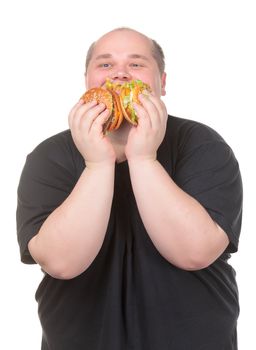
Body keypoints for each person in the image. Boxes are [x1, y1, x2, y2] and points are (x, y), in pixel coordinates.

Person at [16, 27, 243, 349]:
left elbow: (196, 253)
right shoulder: (49, 155)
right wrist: (97, 164)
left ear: (162, 83)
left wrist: (144, 158)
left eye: (136, 64)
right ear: (88, 81)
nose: (120, 74)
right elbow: (61, 263)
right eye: (105, 64)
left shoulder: (201, 144)